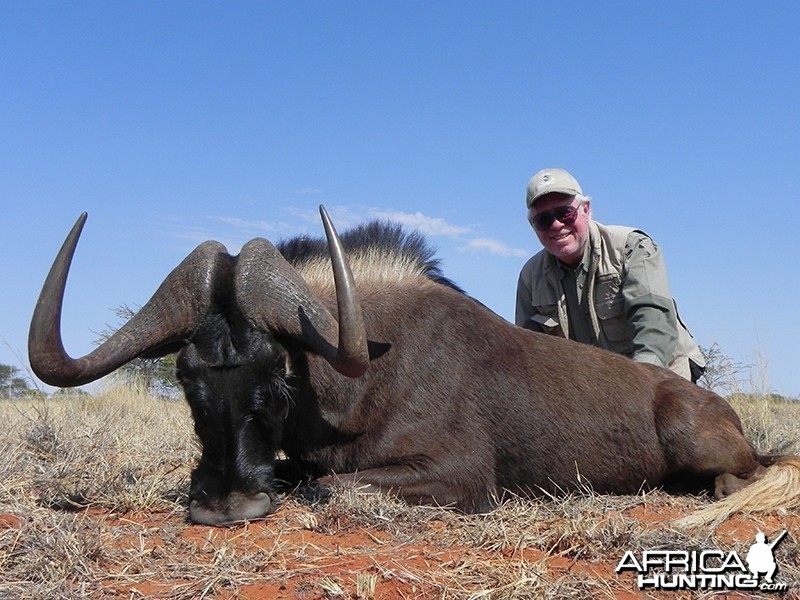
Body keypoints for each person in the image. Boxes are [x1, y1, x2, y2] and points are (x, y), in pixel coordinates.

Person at [515, 167, 705, 382]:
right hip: (594, 391)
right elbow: (529, 351)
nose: (556, 225)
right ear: (533, 226)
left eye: (565, 213)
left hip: (660, 379)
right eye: (543, 220)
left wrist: (642, 384)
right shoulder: (530, 277)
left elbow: (653, 317)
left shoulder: (631, 247)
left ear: (586, 209)